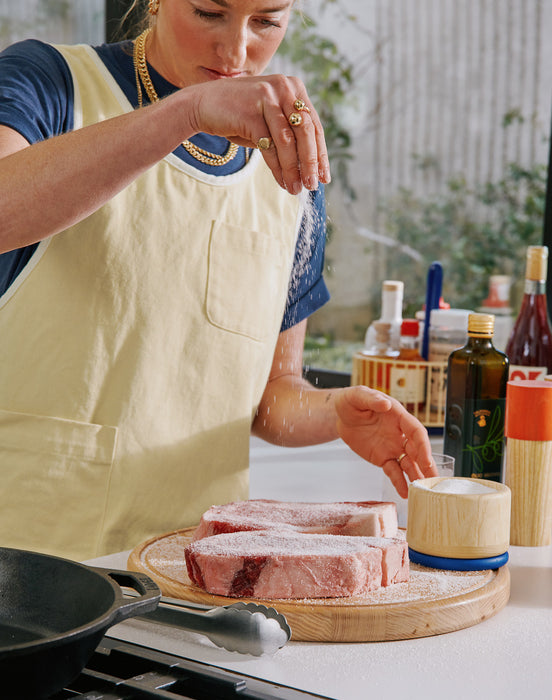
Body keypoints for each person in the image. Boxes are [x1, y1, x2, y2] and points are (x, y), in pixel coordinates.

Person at [0, 0, 437, 561]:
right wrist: (189, 111)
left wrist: (335, 413)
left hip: (194, 563)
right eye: (209, 12)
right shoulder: (50, 81)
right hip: (33, 552)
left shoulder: (287, 167)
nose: (235, 52)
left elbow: (271, 397)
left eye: (266, 22)